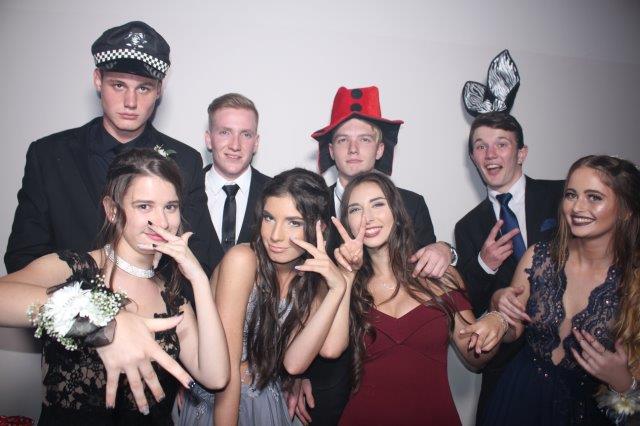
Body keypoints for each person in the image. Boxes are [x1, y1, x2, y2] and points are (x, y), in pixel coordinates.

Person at [0, 148, 230, 424]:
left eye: (170, 206)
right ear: (112, 210)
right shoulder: (73, 267)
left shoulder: (172, 299)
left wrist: (199, 280)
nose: (162, 221)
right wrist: (104, 323)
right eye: (144, 206)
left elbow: (216, 376)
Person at [5, 21, 219, 278]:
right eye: (118, 85)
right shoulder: (49, 156)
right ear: (98, 80)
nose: (130, 102)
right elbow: (23, 257)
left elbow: (200, 258)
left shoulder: (185, 161)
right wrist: (87, 300)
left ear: (158, 90)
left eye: (143, 88)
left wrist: (150, 297)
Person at [301, 85, 457, 425]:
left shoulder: (411, 204)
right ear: (331, 149)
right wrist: (296, 372)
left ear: (381, 148)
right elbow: (297, 293)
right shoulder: (310, 209)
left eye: (364, 139)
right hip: (326, 374)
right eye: (343, 139)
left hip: (395, 372)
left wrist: (447, 250)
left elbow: (429, 280)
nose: (353, 148)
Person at [176, 168, 350, 425]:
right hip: (222, 402)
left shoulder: (312, 281)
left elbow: (300, 362)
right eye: (269, 218)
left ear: (320, 228)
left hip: (268, 401)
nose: (275, 235)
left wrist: (340, 286)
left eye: (294, 222)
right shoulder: (242, 260)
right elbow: (227, 370)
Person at [332, 171, 506, 425]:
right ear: (346, 222)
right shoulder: (343, 284)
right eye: (355, 209)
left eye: (378, 204)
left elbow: (475, 357)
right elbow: (325, 354)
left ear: (397, 213)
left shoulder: (441, 277)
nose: (367, 218)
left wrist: (496, 321)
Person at [483, 155, 640, 425]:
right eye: (571, 194)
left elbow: (631, 410)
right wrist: (499, 309)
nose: (577, 207)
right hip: (519, 398)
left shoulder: (634, 280)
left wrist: (624, 382)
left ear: (625, 209)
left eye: (594, 197)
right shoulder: (538, 257)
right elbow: (511, 332)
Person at [454, 50, 565, 421]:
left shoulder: (562, 198)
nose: (490, 154)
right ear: (473, 157)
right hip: (505, 371)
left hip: (569, 360)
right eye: (480, 146)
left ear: (521, 153)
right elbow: (467, 305)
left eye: (501, 144)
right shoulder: (468, 226)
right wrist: (484, 266)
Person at [204, 93, 270, 267]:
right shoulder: (184, 190)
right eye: (225, 132)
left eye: (246, 134)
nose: (235, 145)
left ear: (256, 143)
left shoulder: (275, 193)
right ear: (209, 139)